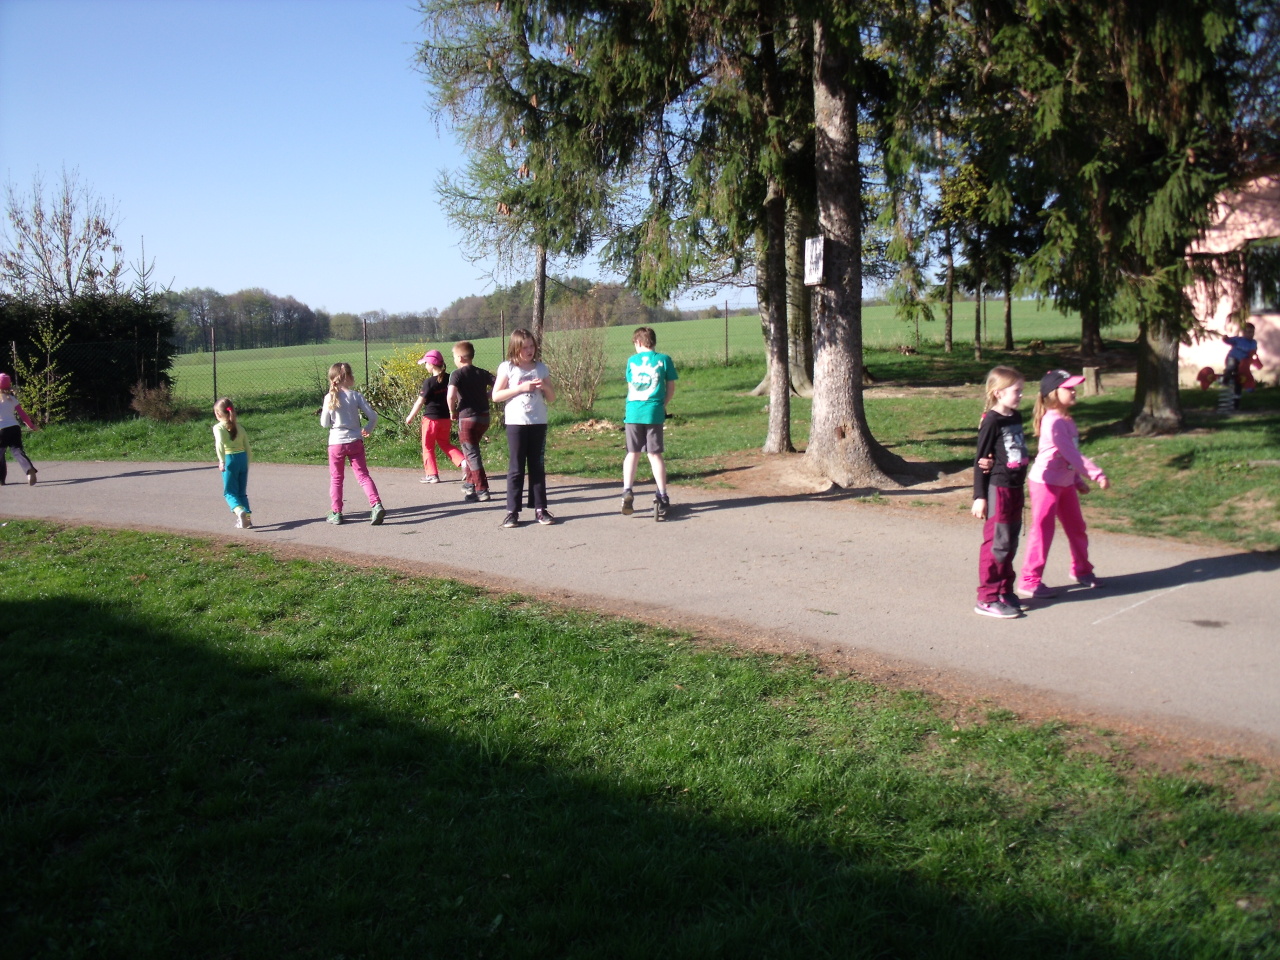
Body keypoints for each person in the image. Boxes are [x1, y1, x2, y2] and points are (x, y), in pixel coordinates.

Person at [1017, 369, 1110, 600]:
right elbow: (1072, 454)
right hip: (1045, 483)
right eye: (1068, 388)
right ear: (1053, 394)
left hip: (1065, 482)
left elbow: (1067, 455)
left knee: (1077, 527)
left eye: (1073, 387)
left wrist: (1076, 479)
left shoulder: (1067, 419)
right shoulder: (1054, 422)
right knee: (1043, 531)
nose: (1074, 391)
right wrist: (1096, 474)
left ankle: (1081, 570)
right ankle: (1029, 580)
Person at [971, 366, 1029, 619]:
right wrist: (980, 496)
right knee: (997, 543)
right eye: (1017, 391)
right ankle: (987, 597)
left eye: (1021, 390)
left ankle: (1005, 590)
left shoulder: (1015, 417)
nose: (1021, 395)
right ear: (998, 393)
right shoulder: (991, 421)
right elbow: (980, 460)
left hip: (1016, 487)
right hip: (999, 488)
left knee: (1010, 542)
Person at [492, 328, 556, 528]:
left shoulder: (541, 368)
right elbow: (496, 395)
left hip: (538, 422)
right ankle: (512, 512)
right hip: (516, 422)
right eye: (524, 347)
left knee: (537, 466)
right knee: (516, 467)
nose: (529, 350)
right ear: (515, 348)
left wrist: (544, 387)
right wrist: (520, 388)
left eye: (532, 346)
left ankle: (540, 509)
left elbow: (552, 398)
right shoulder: (508, 367)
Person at [620, 326, 678, 520]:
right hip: (653, 412)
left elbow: (631, 386)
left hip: (633, 413)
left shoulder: (631, 361)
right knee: (654, 454)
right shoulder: (664, 359)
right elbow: (671, 387)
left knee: (632, 453)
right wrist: (663, 405)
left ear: (638, 342)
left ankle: (627, 490)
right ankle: (662, 494)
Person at [320, 361, 386, 526]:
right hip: (355, 441)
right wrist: (368, 428)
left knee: (336, 478)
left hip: (336, 443)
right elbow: (373, 416)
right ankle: (376, 505)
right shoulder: (356, 396)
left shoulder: (329, 397)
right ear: (349, 377)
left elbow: (324, 423)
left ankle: (336, 512)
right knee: (363, 476)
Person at [404, 349, 466, 484]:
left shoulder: (429, 382)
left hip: (430, 420)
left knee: (428, 447)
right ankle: (464, 463)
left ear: (431, 364)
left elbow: (420, 402)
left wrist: (410, 416)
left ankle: (432, 475)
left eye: (426, 363)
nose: (425, 366)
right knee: (445, 443)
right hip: (446, 419)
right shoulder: (450, 378)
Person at [447, 340, 495, 503]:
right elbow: (500, 385)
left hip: (467, 418)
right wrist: (487, 396)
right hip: (484, 418)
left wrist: (452, 411)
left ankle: (482, 489)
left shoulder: (457, 374)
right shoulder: (482, 373)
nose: (454, 359)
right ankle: (469, 484)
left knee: (472, 454)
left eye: (454, 356)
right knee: (470, 451)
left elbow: (451, 395)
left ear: (460, 358)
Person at [213, 397, 252, 528]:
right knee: (242, 492)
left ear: (218, 414)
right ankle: (248, 519)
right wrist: (247, 463)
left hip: (230, 459)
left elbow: (219, 444)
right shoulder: (240, 427)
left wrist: (221, 461)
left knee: (229, 492)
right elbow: (247, 447)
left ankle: (239, 511)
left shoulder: (218, 428)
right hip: (242, 458)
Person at [0, 372, 39, 486]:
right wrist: (32, 426)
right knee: (17, 451)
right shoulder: (12, 399)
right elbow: (23, 415)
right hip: (14, 428)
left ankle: (1, 479)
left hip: (1, 430)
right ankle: (29, 470)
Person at [1222, 322, 1260, 410]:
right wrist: (1225, 338)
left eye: (1252, 332)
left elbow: (1253, 352)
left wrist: (1253, 358)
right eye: (1248, 332)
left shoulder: (1253, 343)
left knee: (1239, 380)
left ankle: (1236, 402)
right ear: (1243, 333)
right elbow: (1228, 341)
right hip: (1232, 357)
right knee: (1231, 365)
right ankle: (1226, 377)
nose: (1250, 334)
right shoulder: (1238, 339)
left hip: (1242, 363)